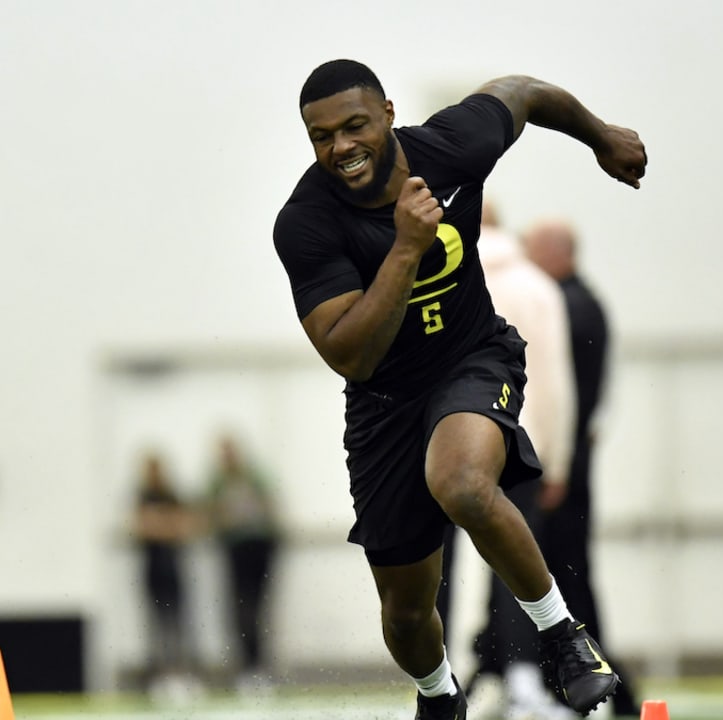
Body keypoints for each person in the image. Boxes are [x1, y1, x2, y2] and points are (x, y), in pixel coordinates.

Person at [272, 59, 646, 719]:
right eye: (321, 137)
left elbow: (522, 93)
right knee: (407, 612)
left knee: (464, 483)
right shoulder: (306, 222)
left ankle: (565, 639)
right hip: (384, 403)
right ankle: (440, 698)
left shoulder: (452, 145)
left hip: (472, 359)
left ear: (388, 114)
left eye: (355, 126)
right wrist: (405, 249)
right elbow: (352, 355)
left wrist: (600, 135)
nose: (341, 147)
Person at [438, 203, 579, 720]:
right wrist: (557, 461)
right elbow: (557, 383)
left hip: (444, 443)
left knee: (436, 569)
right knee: (515, 563)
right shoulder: (537, 286)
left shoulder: (437, 275)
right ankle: (523, 685)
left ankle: (435, 683)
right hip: (520, 443)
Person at [524, 219, 641, 717]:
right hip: (569, 465)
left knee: (563, 579)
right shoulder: (584, 303)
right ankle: (586, 685)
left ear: (558, 253)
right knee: (566, 578)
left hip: (563, 472)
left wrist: (556, 466)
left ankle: (590, 684)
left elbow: (565, 397)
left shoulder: (568, 307)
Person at [204, 433, 282, 693]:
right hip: (235, 550)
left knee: (258, 607)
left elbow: (269, 508)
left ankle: (259, 665)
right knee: (241, 607)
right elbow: (209, 512)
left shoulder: (254, 477)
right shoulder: (218, 482)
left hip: (259, 548)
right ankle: (247, 666)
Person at [131, 450, 200, 694]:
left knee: (178, 620)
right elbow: (142, 527)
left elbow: (184, 526)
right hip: (153, 567)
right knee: (156, 621)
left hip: (173, 565)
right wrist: (164, 525)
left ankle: (181, 671)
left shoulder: (172, 495)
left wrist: (160, 524)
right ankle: (160, 674)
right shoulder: (143, 495)